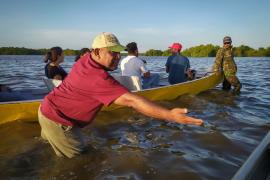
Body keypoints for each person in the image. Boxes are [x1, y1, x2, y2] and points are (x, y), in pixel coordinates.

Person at [38, 32, 203, 158]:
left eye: (119, 52)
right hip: (59, 120)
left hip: (46, 109)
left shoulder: (85, 60)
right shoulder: (97, 78)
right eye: (112, 53)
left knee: (46, 150)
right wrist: (169, 115)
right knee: (82, 161)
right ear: (96, 52)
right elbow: (133, 101)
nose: (118, 57)